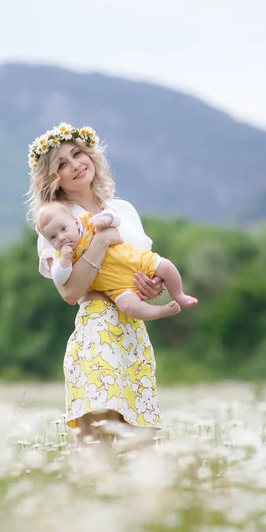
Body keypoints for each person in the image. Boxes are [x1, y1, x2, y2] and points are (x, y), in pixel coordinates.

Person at [27, 122, 170, 444]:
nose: (75, 165)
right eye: (61, 164)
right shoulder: (54, 221)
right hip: (98, 327)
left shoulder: (123, 210)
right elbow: (70, 291)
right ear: (53, 178)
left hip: (133, 328)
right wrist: (101, 241)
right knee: (97, 429)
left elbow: (142, 265)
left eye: (77, 154)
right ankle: (91, 489)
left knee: (141, 436)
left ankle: (142, 494)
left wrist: (152, 287)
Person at [35, 201, 198, 321]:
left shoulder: (87, 221)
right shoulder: (61, 255)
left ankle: (178, 294)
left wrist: (106, 220)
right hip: (115, 287)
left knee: (166, 266)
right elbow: (62, 281)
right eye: (53, 237)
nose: (61, 238)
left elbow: (114, 219)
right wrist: (64, 260)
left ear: (75, 222)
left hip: (135, 261)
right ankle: (160, 311)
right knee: (129, 307)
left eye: (63, 229)